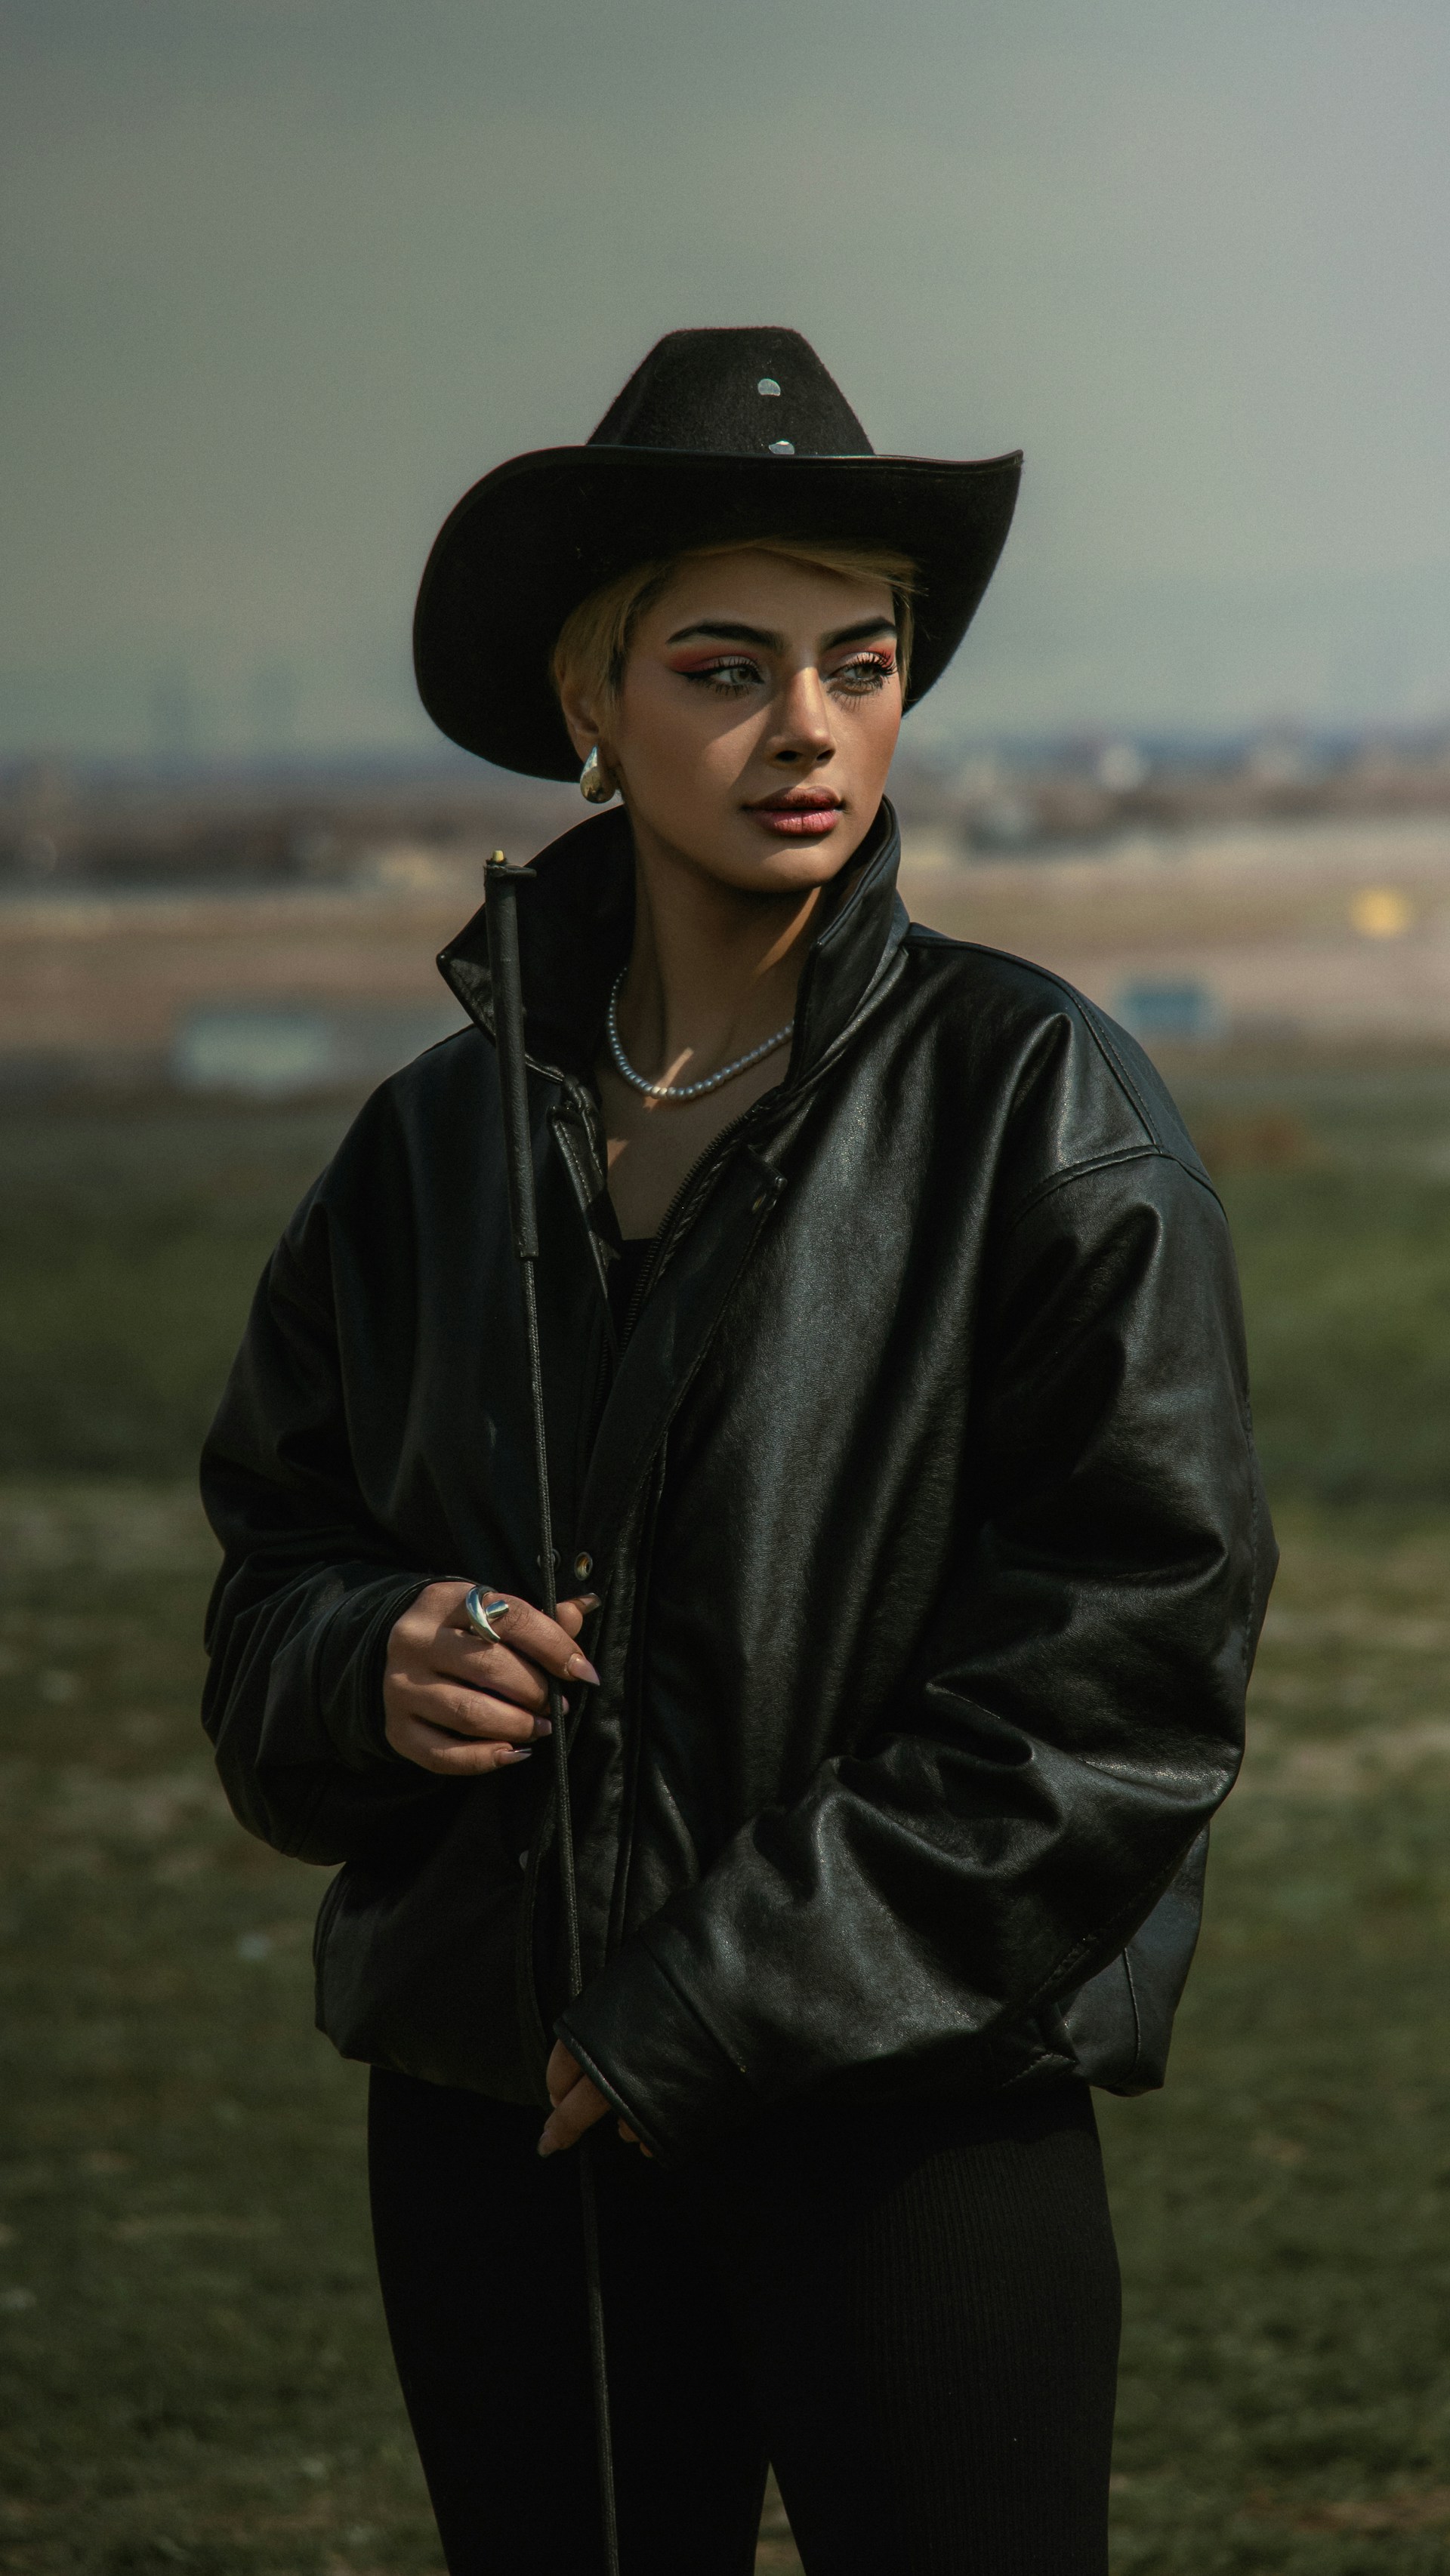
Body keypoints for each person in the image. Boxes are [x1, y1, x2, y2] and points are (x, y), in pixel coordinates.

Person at [201, 328, 1275, 2576]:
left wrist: (713, 2000)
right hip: (505, 2123)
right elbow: (270, 1576)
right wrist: (367, 1658)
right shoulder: (424, 1157)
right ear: (591, 700)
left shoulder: (1041, 1115)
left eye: (858, 660)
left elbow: (1126, 1690)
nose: (808, 726)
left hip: (911, 2114)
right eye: (726, 662)